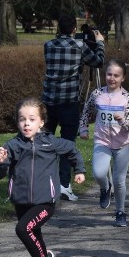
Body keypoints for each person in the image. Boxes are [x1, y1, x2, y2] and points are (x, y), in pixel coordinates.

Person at [0, 97, 86, 257]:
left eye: (32, 119)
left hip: (45, 201)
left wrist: (80, 170)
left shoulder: (51, 143)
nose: (26, 123)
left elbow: (72, 149)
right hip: (21, 201)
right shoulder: (13, 146)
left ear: (41, 122)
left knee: (23, 229)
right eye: (22, 119)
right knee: (33, 234)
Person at [42, 13, 105, 202]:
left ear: (58, 28)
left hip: (48, 100)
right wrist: (100, 43)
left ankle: (44, 184)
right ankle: (63, 185)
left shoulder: (48, 45)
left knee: (45, 142)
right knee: (67, 144)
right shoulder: (79, 46)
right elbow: (98, 61)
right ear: (74, 30)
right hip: (69, 101)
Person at [78, 59, 129, 227]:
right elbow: (86, 111)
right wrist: (83, 129)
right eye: (109, 74)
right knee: (98, 173)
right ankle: (105, 187)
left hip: (123, 143)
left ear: (123, 78)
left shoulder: (127, 98)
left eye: (116, 76)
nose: (112, 78)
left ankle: (120, 212)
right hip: (102, 140)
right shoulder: (97, 94)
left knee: (119, 180)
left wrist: (123, 120)